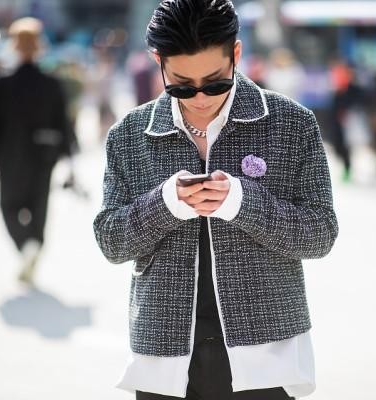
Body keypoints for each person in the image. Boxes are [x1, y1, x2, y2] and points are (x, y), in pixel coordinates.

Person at [93, 1, 338, 399]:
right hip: (163, 359)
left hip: (266, 356)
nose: (200, 97)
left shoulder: (292, 123)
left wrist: (242, 203)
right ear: (158, 62)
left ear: (235, 55)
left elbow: (320, 234)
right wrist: (165, 204)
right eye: (181, 85)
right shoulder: (129, 134)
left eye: (215, 82)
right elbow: (110, 241)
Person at [0, 17, 74, 284]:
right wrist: (68, 156)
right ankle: (34, 243)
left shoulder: (1, 83)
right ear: (39, 46)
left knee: (8, 205)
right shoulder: (52, 83)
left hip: (10, 153)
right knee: (39, 204)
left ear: (14, 46)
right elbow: (64, 123)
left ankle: (26, 244)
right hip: (45, 154)